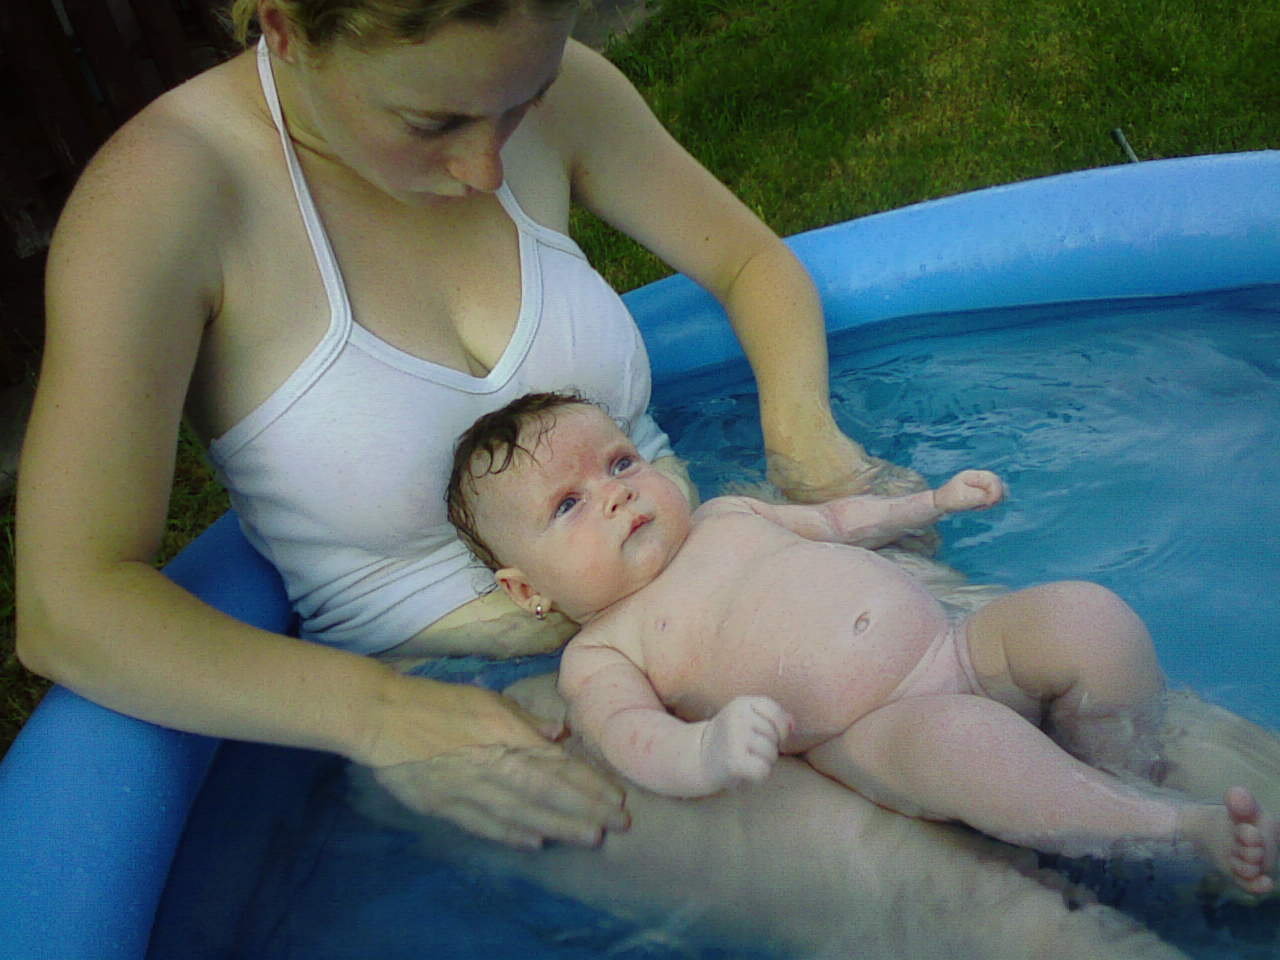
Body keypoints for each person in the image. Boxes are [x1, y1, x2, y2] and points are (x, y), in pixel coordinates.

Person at [15, 0, 896, 852]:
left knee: (998, 696)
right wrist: (381, 717)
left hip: (724, 568)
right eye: (431, 122)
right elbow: (68, 603)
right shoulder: (167, 199)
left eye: (522, 106)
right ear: (285, 28)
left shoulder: (546, 76)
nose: (484, 169)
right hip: (502, 705)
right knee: (930, 891)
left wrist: (801, 435)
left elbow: (748, 260)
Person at [446, 391, 1279, 896]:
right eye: (568, 506)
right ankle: (1163, 832)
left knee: (1086, 617)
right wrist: (707, 751)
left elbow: (841, 521)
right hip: (881, 729)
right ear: (528, 588)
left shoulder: (725, 516)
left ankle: (1128, 764)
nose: (616, 495)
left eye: (621, 462)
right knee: (973, 743)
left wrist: (933, 505)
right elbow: (631, 739)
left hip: (959, 645)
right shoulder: (602, 652)